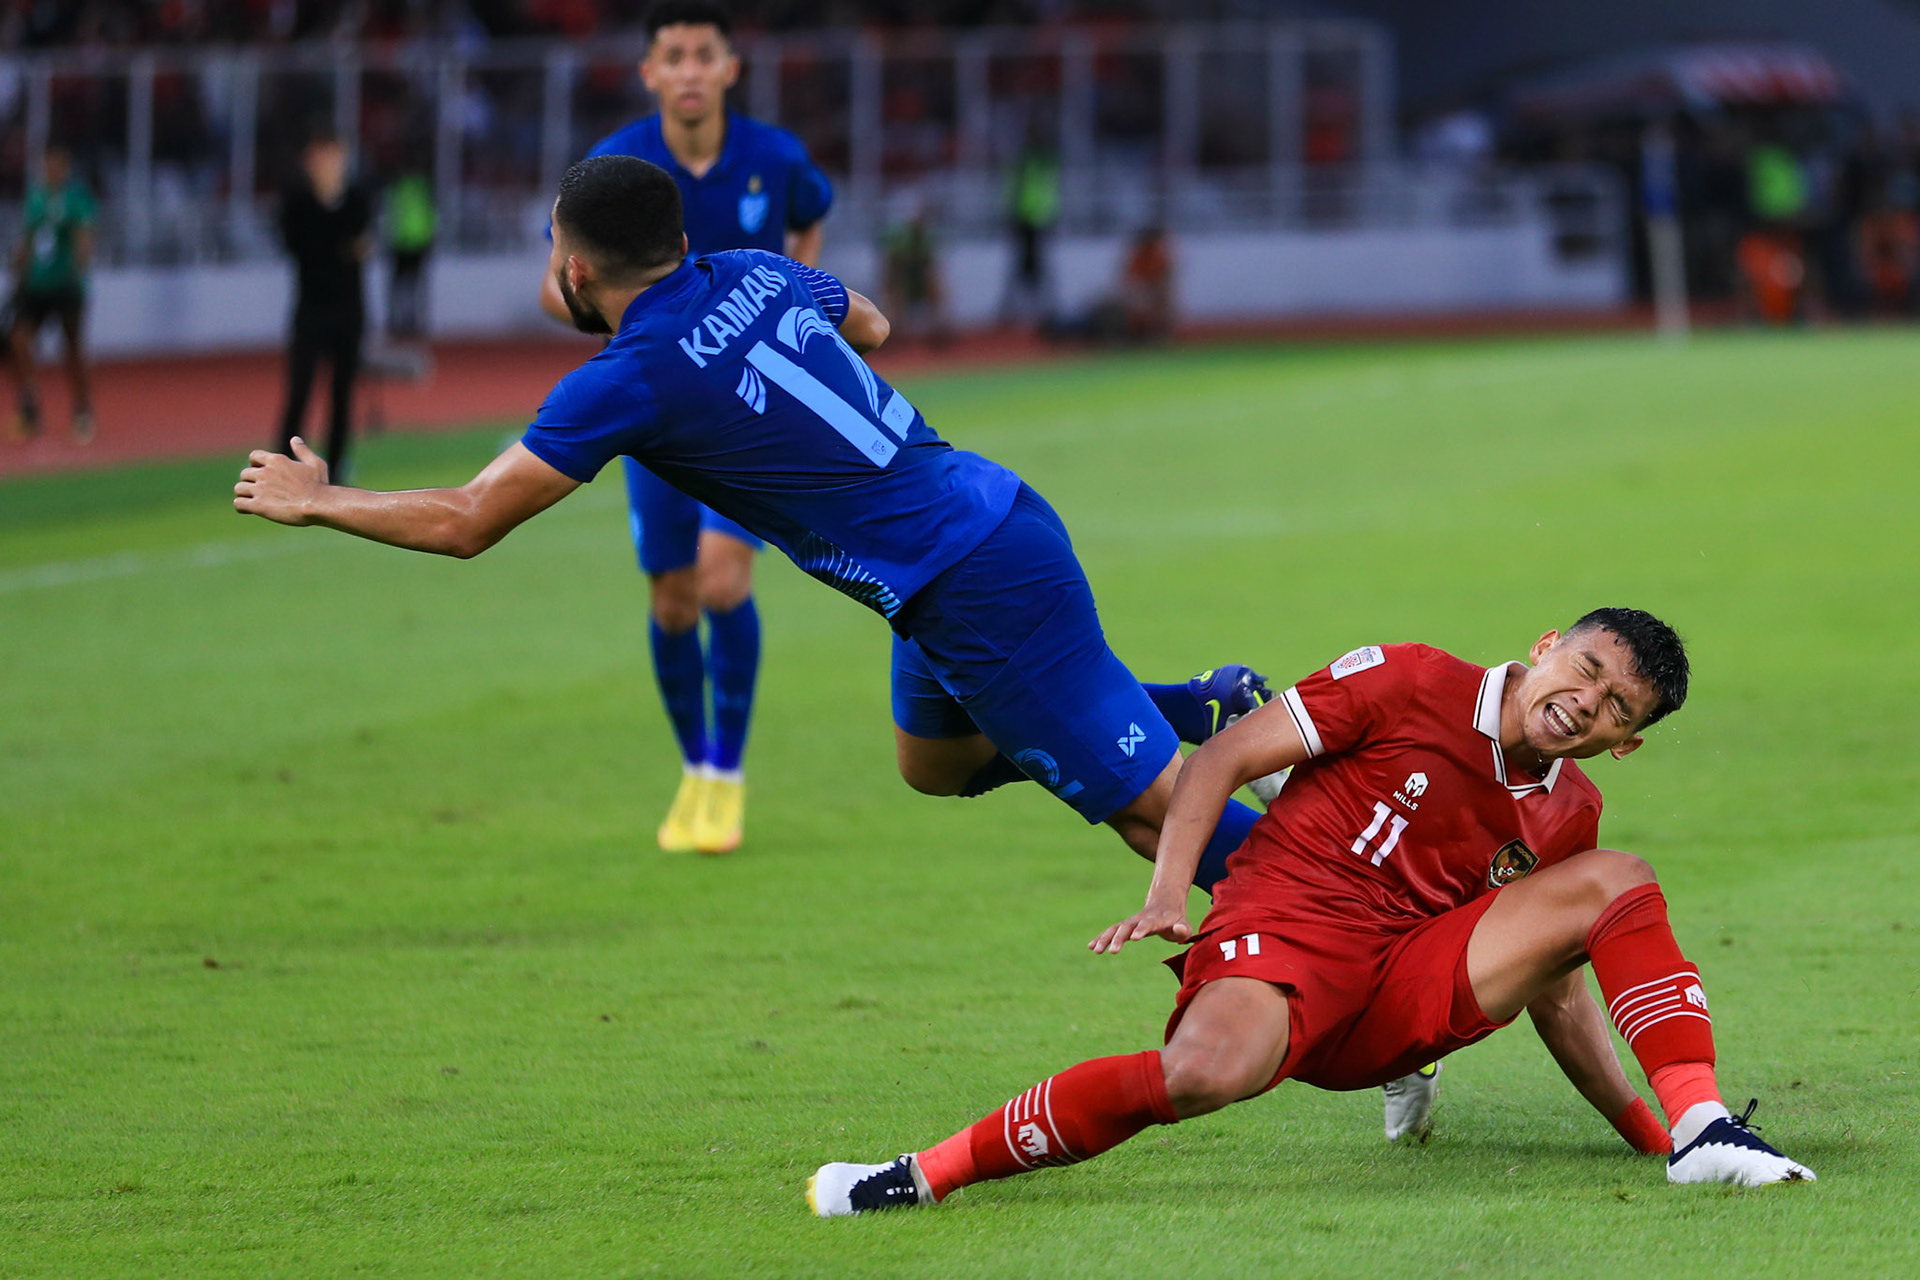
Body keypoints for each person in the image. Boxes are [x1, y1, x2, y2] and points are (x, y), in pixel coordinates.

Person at [238, 152, 1277, 905]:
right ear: (679, 242)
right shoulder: (751, 269)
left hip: (971, 583)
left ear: (577, 277)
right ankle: (1204, 703)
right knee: (937, 761)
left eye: (557, 250)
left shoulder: (625, 377)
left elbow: (469, 519)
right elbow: (868, 323)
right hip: (976, 529)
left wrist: (320, 499)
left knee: (1157, 812)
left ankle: (1367, 931)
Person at [807, 610, 1817, 1215]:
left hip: (1404, 985)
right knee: (1205, 1071)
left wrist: (1643, 1128)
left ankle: (1700, 1126)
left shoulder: (1572, 809)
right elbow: (1225, 756)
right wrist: (1169, 890)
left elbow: (1556, 995)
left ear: (1625, 741)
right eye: (1585, 671)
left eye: (1616, 709)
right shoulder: (1413, 677)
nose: (1586, 702)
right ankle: (916, 1173)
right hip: (1289, 929)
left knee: (1614, 880)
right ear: (1546, 646)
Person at [535, 0, 834, 857]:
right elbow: (557, 283)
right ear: (651, 74)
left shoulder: (773, 159)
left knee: (722, 579)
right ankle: (695, 766)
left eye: (706, 53)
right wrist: (606, 322)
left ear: (731, 68)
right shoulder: (614, 167)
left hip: (751, 414)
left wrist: (794, 298)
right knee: (670, 597)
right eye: (675, 55)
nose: (692, 70)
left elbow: (812, 213)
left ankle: (729, 776)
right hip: (661, 414)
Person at [278, 130, 373, 480]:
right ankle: (281, 462)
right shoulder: (296, 199)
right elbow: (301, 247)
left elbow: (360, 241)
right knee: (299, 389)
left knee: (342, 394)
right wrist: (342, 248)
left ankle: (337, 464)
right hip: (311, 309)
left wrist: (342, 246)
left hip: (349, 310)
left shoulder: (358, 196)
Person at [7, 144, 97, 444]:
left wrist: (78, 270)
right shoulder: (36, 196)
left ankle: (82, 412)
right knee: (19, 340)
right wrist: (18, 271)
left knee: (72, 350)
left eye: (57, 164)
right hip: (36, 285)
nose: (52, 169)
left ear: (65, 166)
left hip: (66, 285)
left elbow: (83, 236)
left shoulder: (76, 197)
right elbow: (29, 238)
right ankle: (29, 405)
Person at [384, 168, 436, 342]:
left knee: (405, 287)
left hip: (407, 243)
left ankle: (406, 321)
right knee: (407, 287)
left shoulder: (399, 189)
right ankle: (402, 321)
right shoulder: (423, 189)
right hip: (409, 243)